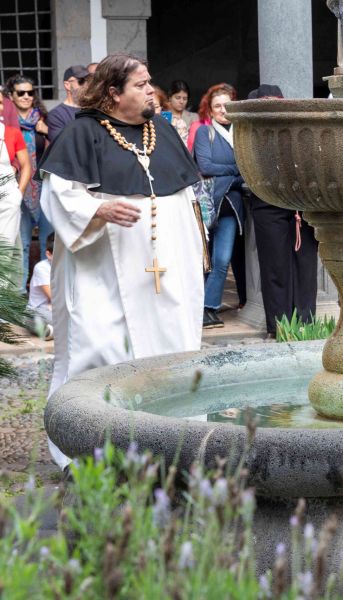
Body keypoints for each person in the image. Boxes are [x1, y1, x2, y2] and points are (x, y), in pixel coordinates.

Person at [37, 53, 204, 469]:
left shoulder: (161, 133)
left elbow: (185, 196)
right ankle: (90, 453)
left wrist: (195, 246)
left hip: (166, 273)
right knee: (100, 348)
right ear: (113, 93)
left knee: (173, 347)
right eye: (141, 84)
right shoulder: (81, 135)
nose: (152, 91)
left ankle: (173, 445)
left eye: (150, 82)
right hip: (103, 272)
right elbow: (57, 196)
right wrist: (98, 210)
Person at [247, 84, 319, 337]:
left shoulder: (298, 129)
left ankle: (306, 324)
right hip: (268, 204)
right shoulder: (249, 132)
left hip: (303, 205)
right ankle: (279, 327)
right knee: (275, 268)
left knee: (306, 267)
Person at [193, 83, 246, 328]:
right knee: (202, 260)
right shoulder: (206, 133)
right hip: (207, 206)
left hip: (231, 208)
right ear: (210, 110)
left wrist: (230, 174)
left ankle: (208, 306)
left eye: (227, 105)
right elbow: (204, 167)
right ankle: (198, 307)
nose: (223, 110)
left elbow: (249, 172)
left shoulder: (243, 133)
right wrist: (235, 172)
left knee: (222, 259)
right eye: (217, 106)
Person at [6, 75, 53, 289]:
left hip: (44, 188)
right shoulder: (7, 124)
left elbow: (58, 152)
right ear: (11, 96)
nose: (26, 96)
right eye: (21, 93)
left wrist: (48, 132)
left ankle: (48, 291)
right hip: (17, 190)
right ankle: (20, 294)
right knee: (21, 244)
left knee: (48, 243)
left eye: (30, 92)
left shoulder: (43, 119)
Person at [0, 92, 31, 253]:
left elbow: (26, 165)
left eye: (0, 103)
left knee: (6, 250)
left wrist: (19, 193)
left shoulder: (12, 133)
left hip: (8, 197)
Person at [46, 65, 90, 142]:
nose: (86, 86)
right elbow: (63, 145)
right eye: (81, 81)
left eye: (88, 81)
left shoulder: (94, 109)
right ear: (67, 85)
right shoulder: (56, 115)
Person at [26, 232, 54, 340]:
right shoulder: (41, 267)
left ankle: (53, 331)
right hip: (39, 309)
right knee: (30, 318)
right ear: (48, 254)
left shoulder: (69, 266)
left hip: (59, 309)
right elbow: (53, 296)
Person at [166, 80, 199, 145]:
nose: (181, 101)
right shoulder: (164, 116)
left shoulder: (195, 117)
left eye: (185, 99)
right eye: (178, 98)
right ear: (170, 98)